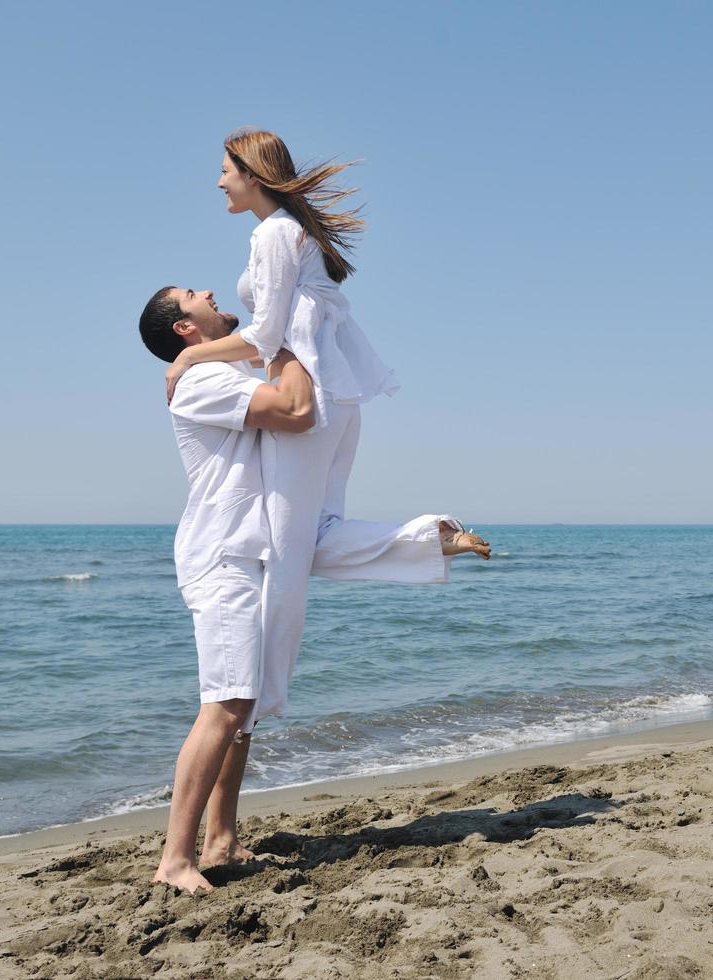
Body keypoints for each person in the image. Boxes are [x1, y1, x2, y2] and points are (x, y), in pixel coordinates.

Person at [138, 286, 486, 894]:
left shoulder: (215, 369)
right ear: (184, 330)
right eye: (194, 297)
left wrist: (426, 540)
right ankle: (174, 860)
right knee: (224, 702)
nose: (212, 293)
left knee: (243, 711)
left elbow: (312, 525)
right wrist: (284, 336)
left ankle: (219, 840)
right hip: (222, 557)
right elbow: (296, 408)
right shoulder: (198, 383)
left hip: (256, 552)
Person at [163, 128, 490, 741]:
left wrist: (189, 360)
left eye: (225, 170)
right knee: (313, 534)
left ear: (252, 173)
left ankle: (257, 697)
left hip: (308, 395)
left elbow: (264, 337)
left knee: (285, 552)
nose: (218, 181)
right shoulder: (293, 232)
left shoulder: (273, 233)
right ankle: (430, 538)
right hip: (338, 399)